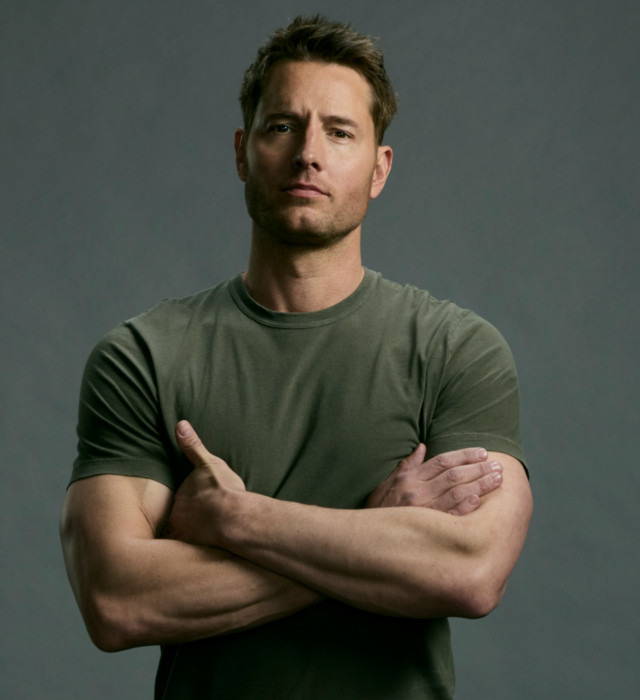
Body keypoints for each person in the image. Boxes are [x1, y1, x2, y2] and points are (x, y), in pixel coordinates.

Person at [60, 15, 532, 699]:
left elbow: (472, 572)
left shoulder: (456, 351)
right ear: (242, 152)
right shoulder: (143, 357)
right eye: (282, 126)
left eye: (339, 132)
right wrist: (379, 534)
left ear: (379, 167)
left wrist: (235, 520)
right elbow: (115, 600)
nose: (308, 153)